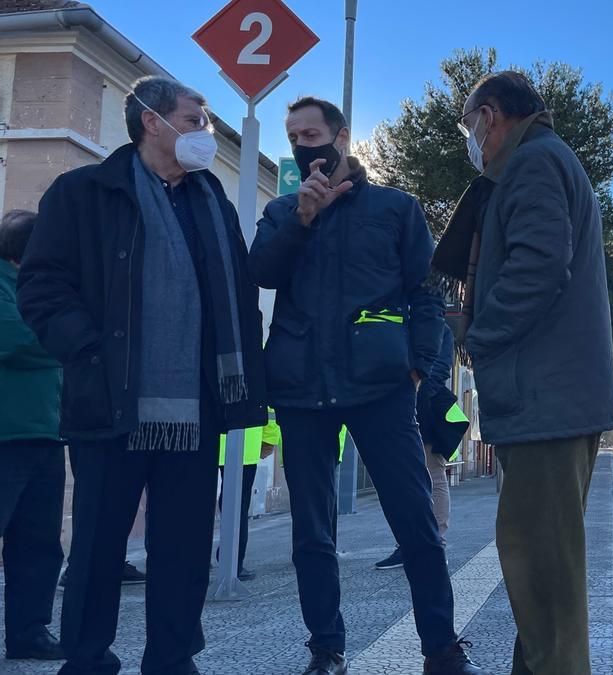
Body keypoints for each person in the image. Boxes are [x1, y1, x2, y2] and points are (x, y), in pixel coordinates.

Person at [17, 76, 267, 675]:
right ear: (152, 121)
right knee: (99, 547)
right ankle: (87, 657)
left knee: (181, 550)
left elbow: (238, 292)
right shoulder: (83, 192)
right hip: (109, 400)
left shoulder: (213, 202)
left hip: (198, 406)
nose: (205, 133)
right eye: (196, 119)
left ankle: (173, 659)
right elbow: (43, 284)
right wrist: (90, 353)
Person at [248, 96, 479, 675]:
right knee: (312, 530)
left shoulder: (396, 209)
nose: (304, 146)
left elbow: (428, 294)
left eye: (313, 133)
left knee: (415, 521)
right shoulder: (281, 213)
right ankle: (326, 649)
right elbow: (262, 274)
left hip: (381, 387)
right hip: (301, 390)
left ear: (342, 137)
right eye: (294, 136)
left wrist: (419, 368)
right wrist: (301, 220)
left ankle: (442, 649)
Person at [433, 71, 613, 675]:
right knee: (542, 576)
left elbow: (539, 266)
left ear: (490, 115)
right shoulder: (545, 159)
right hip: (552, 397)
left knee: (542, 576)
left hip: (546, 399)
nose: (471, 139)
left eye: (469, 126)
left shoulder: (534, 163)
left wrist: (479, 338)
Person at [0, 209, 65, 662]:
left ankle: (29, 631)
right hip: (6, 434)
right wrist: (69, 338)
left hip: (45, 433)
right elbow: (19, 339)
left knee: (40, 543)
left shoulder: (41, 286)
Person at [375, 322, 467, 570]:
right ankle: (406, 543)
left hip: (423, 407)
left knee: (433, 474)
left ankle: (436, 540)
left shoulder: (439, 327)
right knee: (400, 480)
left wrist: (417, 393)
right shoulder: (399, 318)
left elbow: (439, 371)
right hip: (394, 406)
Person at [216, 413, 281, 581]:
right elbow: (268, 406)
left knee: (198, 504)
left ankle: (198, 558)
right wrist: (269, 438)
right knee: (237, 506)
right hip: (244, 446)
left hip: (208, 440)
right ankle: (233, 563)